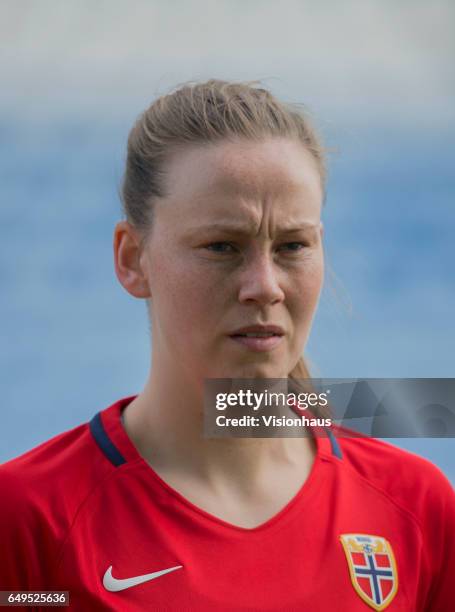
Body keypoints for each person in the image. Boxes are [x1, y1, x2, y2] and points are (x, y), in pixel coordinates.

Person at [0, 79, 453, 611]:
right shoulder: (28, 519)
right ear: (132, 258)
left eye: (292, 246)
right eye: (221, 246)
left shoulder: (416, 507)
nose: (265, 285)